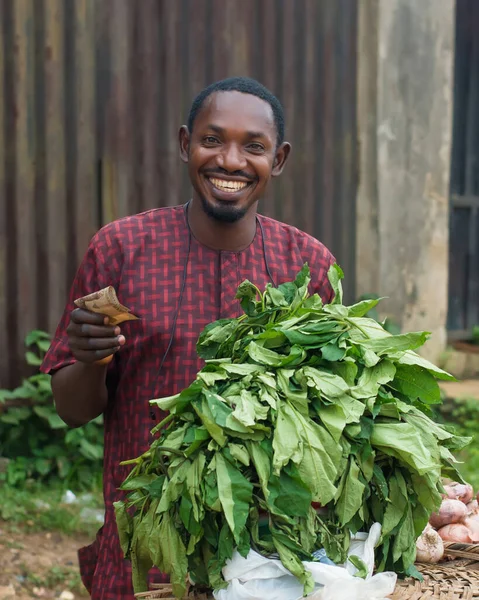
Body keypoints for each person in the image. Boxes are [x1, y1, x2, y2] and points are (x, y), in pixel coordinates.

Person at [41, 76, 336, 599]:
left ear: (280, 159)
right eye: (212, 139)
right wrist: (90, 359)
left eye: (254, 147)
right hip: (148, 544)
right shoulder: (121, 250)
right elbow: (72, 410)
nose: (230, 161)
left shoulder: (307, 267)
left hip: (266, 555)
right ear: (185, 144)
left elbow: (329, 423)